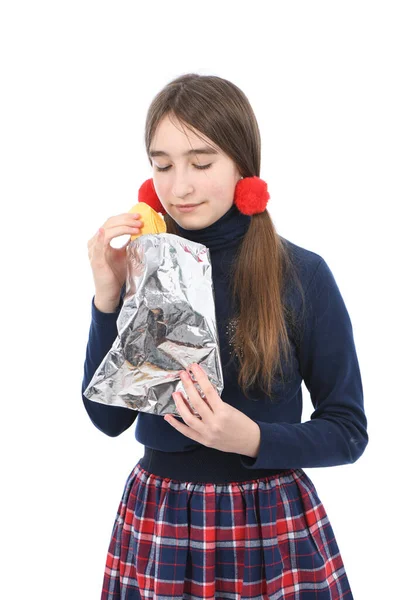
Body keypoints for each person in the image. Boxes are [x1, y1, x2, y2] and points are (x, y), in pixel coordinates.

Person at [82, 73, 368, 599]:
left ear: (244, 165)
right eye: (162, 165)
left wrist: (253, 440)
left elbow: (348, 431)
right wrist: (108, 298)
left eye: (202, 162)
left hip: (269, 524)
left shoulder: (301, 273)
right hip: (160, 520)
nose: (179, 187)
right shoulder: (147, 268)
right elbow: (108, 420)